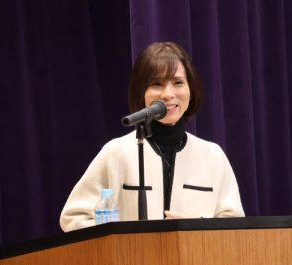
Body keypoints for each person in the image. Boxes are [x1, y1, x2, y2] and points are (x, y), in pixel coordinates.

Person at [60, 42, 245, 231]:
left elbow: (235, 225)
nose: (168, 94)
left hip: (196, 251)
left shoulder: (213, 156)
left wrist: (198, 228)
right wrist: (119, 241)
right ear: (142, 93)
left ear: (191, 90)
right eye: (157, 84)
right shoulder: (117, 152)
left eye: (178, 83)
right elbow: (74, 218)